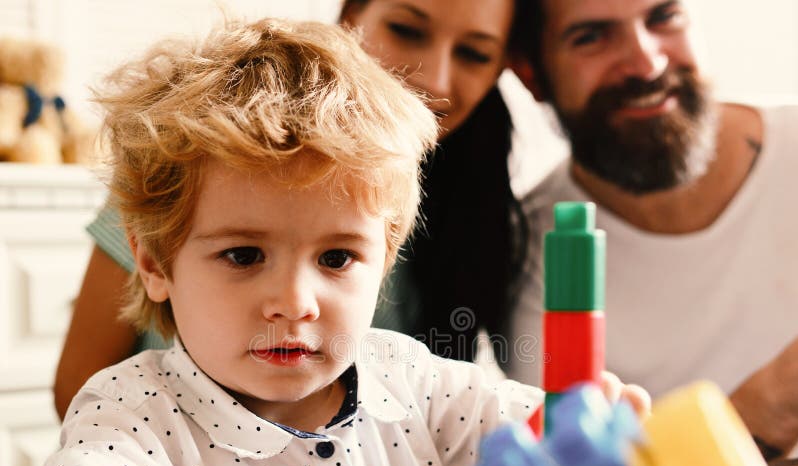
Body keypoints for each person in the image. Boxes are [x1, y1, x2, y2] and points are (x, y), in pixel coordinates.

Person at [21, 17, 553, 466]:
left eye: (337, 257)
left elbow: (541, 436)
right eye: (244, 255)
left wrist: (597, 427)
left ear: (384, 259)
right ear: (153, 263)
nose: (295, 303)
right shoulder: (136, 406)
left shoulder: (414, 381)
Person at [53, 0, 564, 421]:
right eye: (244, 255)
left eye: (338, 258)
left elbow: (504, 412)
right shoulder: (191, 161)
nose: (434, 76)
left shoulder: (478, 222)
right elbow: (80, 391)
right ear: (350, 19)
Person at [508, 0, 798, 456]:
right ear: (530, 74)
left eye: (663, 18)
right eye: (591, 37)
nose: (646, 63)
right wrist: (760, 412)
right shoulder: (523, 253)